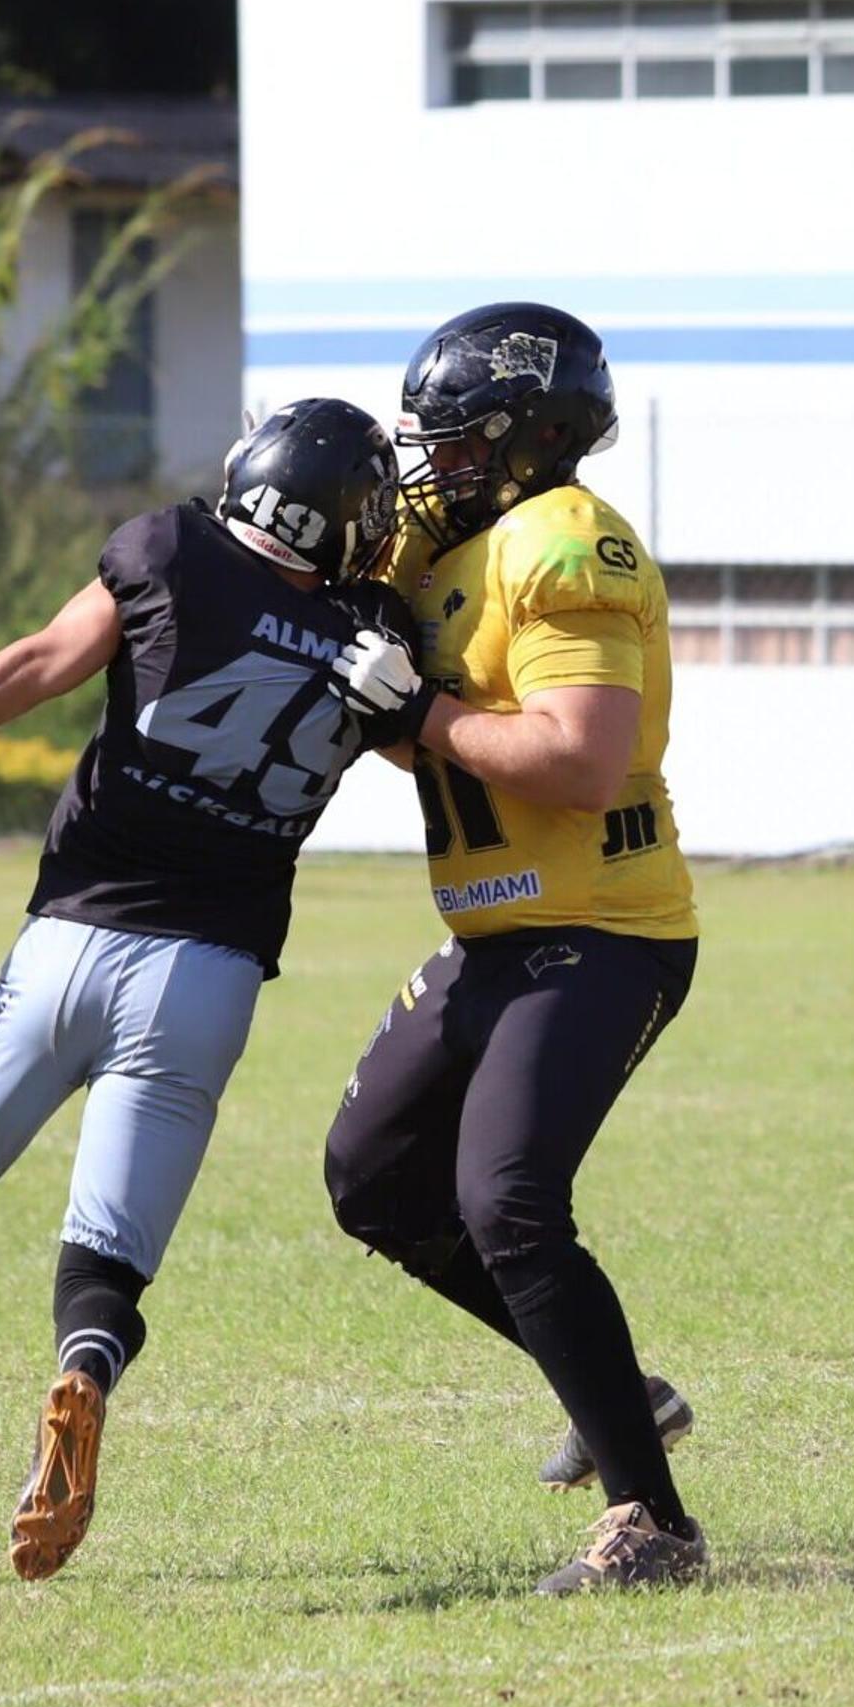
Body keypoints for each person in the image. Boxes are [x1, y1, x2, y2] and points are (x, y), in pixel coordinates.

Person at [0, 403, 422, 1577]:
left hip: (68, 945)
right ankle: (80, 1371)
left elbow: (1, 683)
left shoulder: (168, 555)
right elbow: (425, 749)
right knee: (105, 1263)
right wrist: (407, 694)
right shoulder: (376, 630)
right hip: (207, 978)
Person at [321, 302, 710, 1596]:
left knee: (508, 1203)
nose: (434, 461)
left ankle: (653, 1524)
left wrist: (417, 710)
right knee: (374, 1177)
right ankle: (617, 1396)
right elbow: (438, 732)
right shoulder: (459, 548)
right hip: (498, 931)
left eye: (458, 438)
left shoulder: (565, 544)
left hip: (602, 927)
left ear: (534, 436)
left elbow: (583, 761)